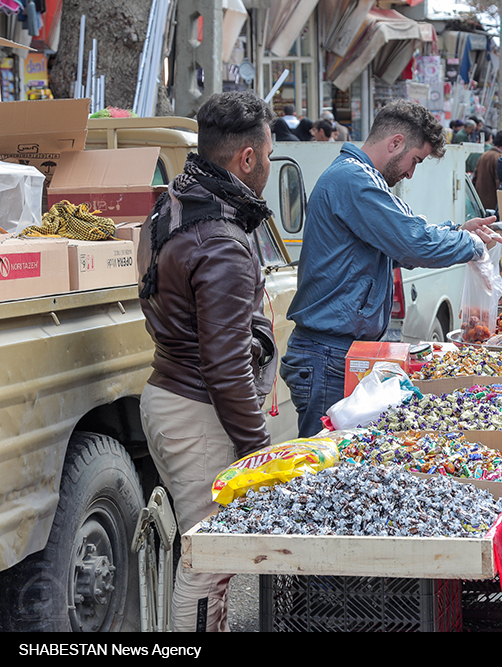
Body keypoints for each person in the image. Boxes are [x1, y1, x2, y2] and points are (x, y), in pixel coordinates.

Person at [136, 90, 277, 631]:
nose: (268, 163)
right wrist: (255, 451)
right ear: (246, 158)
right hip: (197, 409)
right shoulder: (219, 239)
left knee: (205, 552)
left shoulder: (176, 202)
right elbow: (224, 368)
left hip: (174, 395)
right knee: (210, 559)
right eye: (267, 153)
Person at [281, 100, 497, 437]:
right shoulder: (354, 180)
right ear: (395, 143)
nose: (411, 173)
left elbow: (405, 238)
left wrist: (459, 232)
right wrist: (472, 245)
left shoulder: (359, 179)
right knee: (322, 465)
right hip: (327, 354)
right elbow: (411, 242)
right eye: (415, 161)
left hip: (338, 351)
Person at [472, 130, 502, 210]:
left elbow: (474, 178)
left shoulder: (483, 155)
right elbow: (499, 182)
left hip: (480, 201)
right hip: (492, 203)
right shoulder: (500, 158)